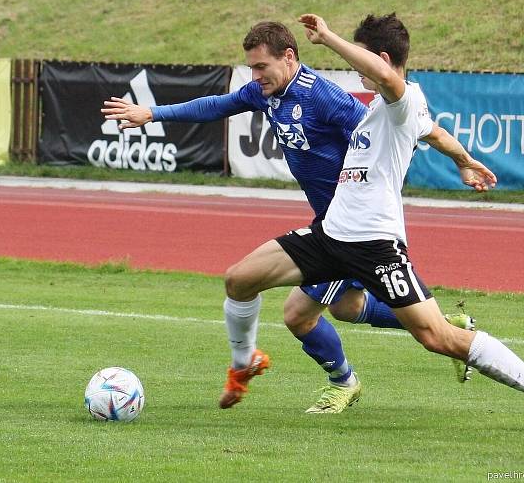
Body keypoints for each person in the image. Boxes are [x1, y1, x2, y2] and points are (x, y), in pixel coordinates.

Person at [101, 21, 493, 414]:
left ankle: (345, 382)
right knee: (348, 308)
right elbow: (217, 106)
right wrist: (151, 113)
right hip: (330, 224)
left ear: (289, 58)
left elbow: (389, 128)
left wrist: (436, 164)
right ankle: (450, 326)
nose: (255, 77)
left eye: (261, 67)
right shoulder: (266, 93)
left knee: (297, 315)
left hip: (351, 226)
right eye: (251, 68)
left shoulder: (325, 98)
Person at [218, 11, 524, 430]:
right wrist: (464, 161)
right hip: (329, 235)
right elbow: (434, 133)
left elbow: (387, 78)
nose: (360, 70)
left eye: (365, 59)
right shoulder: (391, 108)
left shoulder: (401, 99)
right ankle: (243, 366)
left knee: (437, 337)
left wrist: (328, 38)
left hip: (374, 244)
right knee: (239, 279)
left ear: (381, 59)